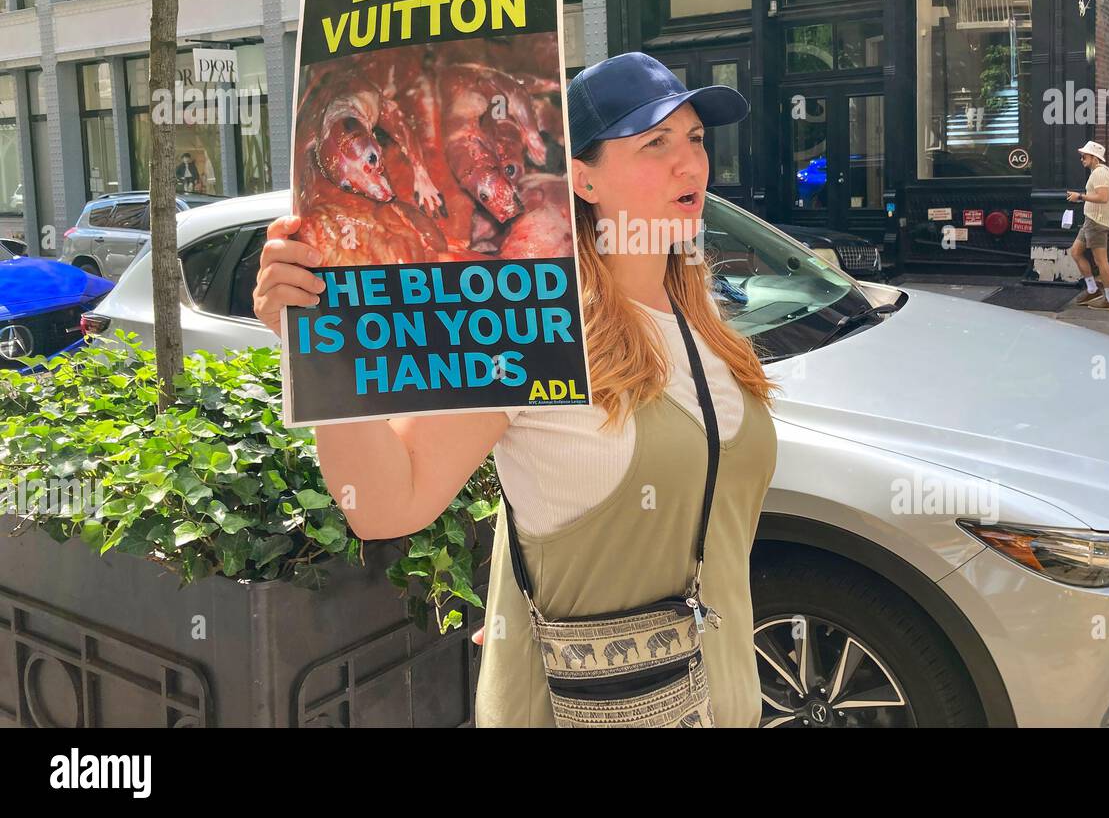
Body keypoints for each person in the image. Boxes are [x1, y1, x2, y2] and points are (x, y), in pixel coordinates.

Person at [252, 51, 781, 727]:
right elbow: (386, 504)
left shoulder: (701, 312)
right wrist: (314, 345)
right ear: (583, 180)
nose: (691, 164)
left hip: (722, 703)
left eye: (697, 138)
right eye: (656, 142)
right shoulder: (531, 330)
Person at [1067, 140, 1109, 310]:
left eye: (1084, 156)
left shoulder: (1099, 174)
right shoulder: (1100, 172)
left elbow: (1103, 198)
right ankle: (1092, 289)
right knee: (1075, 252)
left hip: (1096, 222)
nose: (1082, 159)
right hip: (1091, 220)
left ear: (1094, 157)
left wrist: (1079, 197)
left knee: (1100, 261)